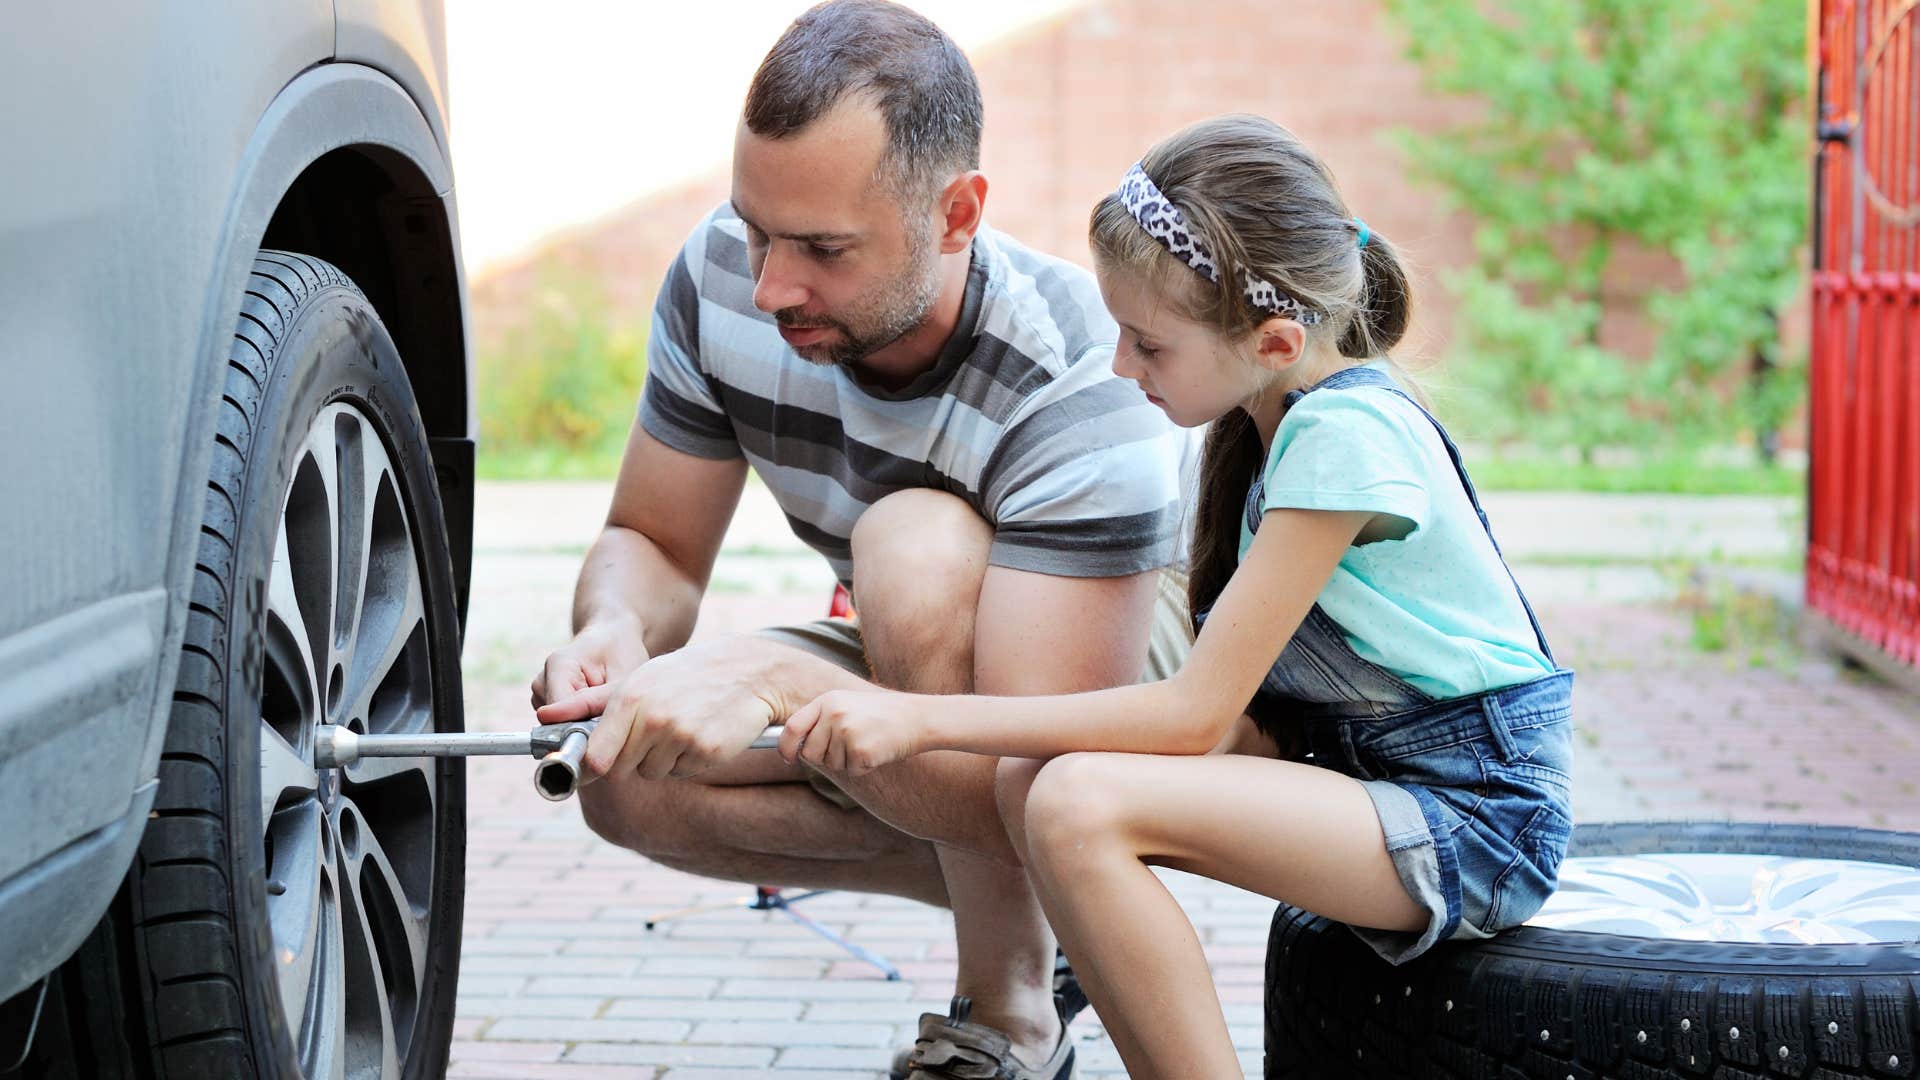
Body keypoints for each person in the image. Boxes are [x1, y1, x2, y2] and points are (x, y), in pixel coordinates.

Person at [776, 114, 1576, 1079]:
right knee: (1049, 784)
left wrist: (916, 718)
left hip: (1475, 815)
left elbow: (1195, 717)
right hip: (1372, 775)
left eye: (1148, 344)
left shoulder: (1347, 436)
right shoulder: (1270, 419)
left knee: (1076, 802)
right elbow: (1236, 719)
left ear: (1276, 340)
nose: (1122, 366)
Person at [530, 3, 1194, 1077]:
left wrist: (783, 684)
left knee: (911, 545)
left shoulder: (1077, 374)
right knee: (628, 773)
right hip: (941, 678)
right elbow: (650, 539)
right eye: (757, 229)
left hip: (1112, 676)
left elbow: (1031, 762)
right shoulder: (719, 284)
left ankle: (1012, 1008)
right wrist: (614, 626)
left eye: (824, 249)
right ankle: (1076, 899)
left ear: (956, 213)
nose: (770, 286)